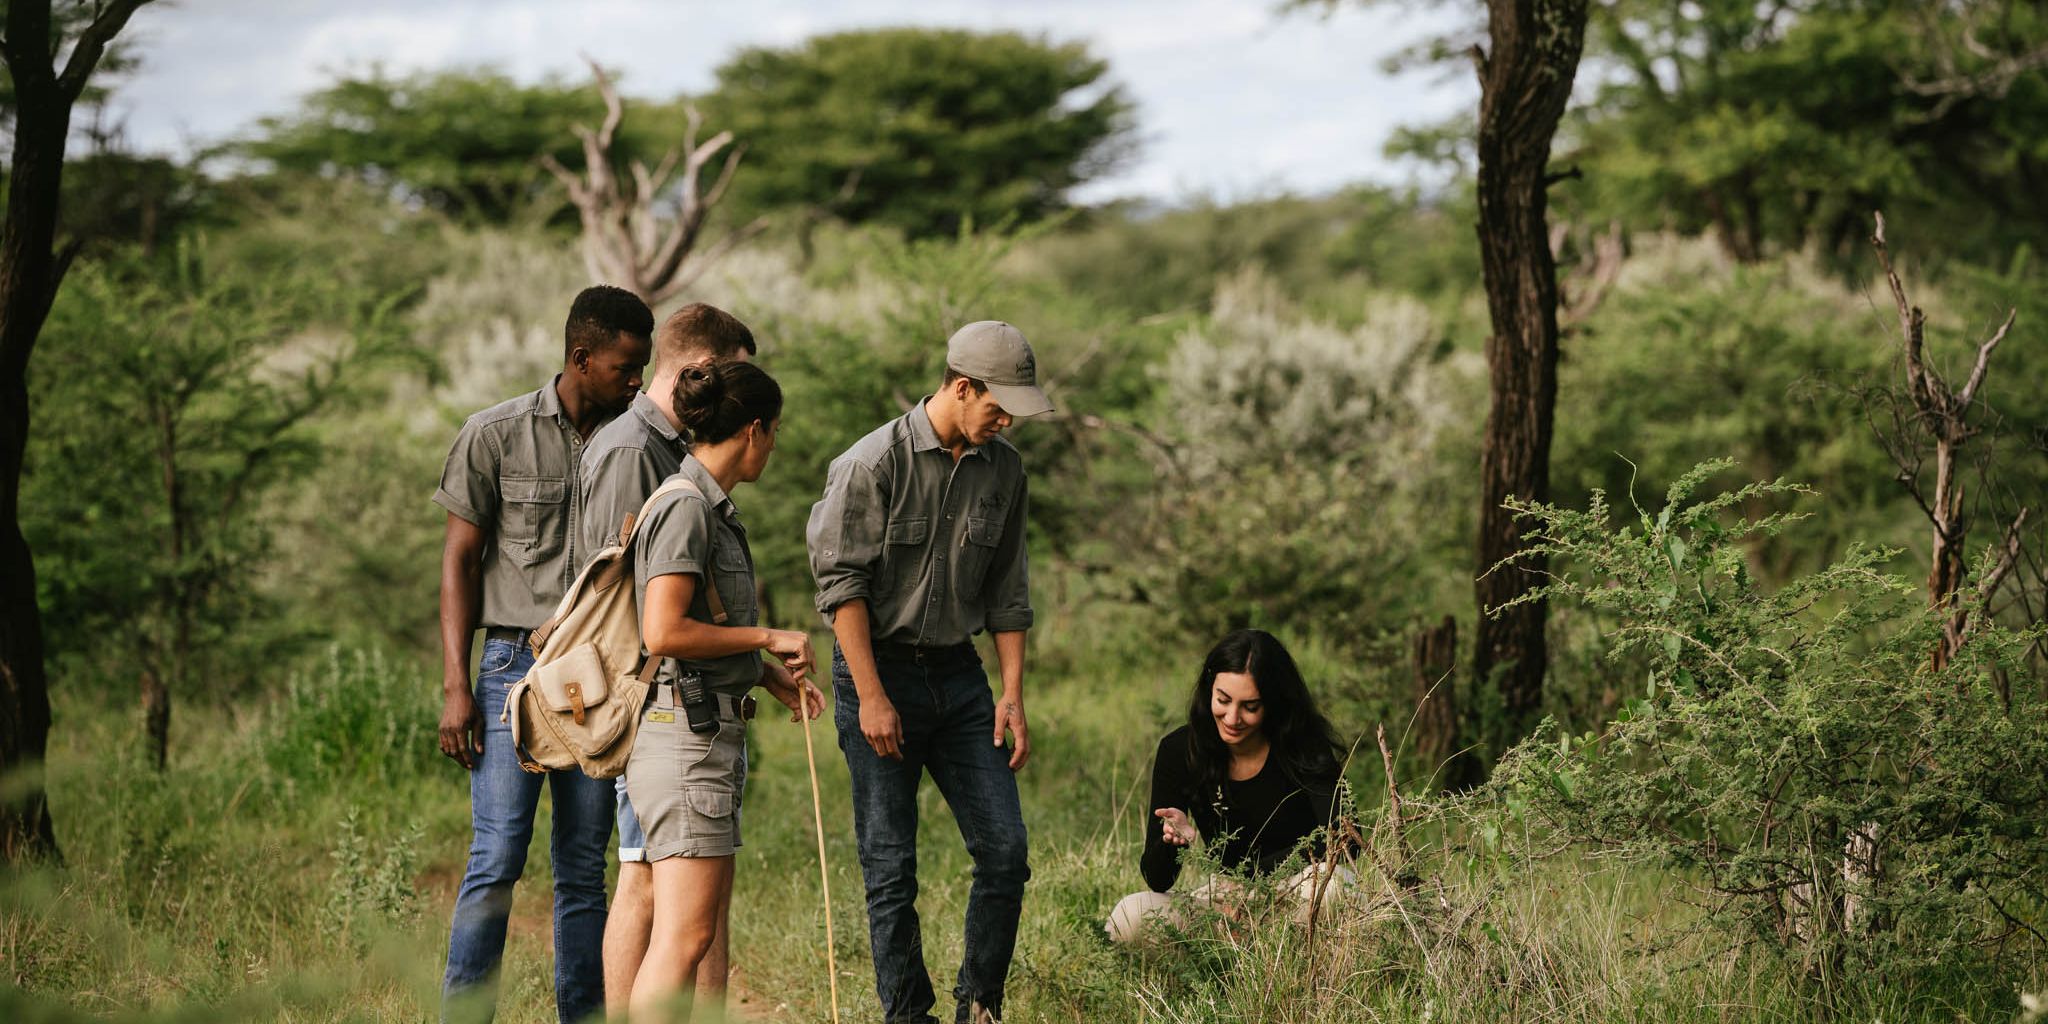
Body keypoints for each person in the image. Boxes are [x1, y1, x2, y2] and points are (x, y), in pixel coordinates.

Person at [806, 320, 1051, 1024]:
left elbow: (1008, 591)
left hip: (960, 678)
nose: (1006, 423)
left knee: (1005, 852)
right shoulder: (870, 464)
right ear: (961, 387)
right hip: (877, 672)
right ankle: (908, 1016)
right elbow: (842, 589)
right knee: (890, 867)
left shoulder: (1005, 470)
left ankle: (981, 1008)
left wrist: (1012, 694)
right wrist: (872, 698)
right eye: (998, 407)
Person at [433, 285, 652, 1023]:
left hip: (601, 680)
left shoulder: (640, 445)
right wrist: (455, 686)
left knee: (583, 869)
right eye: (625, 367)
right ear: (581, 358)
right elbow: (459, 562)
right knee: (496, 857)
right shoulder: (493, 434)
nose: (637, 381)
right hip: (509, 672)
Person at [577, 302, 761, 1017]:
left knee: (688, 908)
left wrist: (758, 669)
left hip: (689, 699)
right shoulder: (637, 453)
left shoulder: (680, 459)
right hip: (657, 703)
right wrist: (756, 643)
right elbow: (626, 602)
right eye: (731, 380)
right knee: (648, 885)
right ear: (702, 372)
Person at [624, 359, 820, 1022]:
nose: (774, 446)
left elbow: (700, 624)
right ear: (754, 430)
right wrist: (766, 637)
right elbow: (663, 631)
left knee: (692, 934)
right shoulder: (686, 505)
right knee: (682, 940)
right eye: (775, 432)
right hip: (682, 739)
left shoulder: (706, 504)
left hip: (703, 734)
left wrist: (763, 674)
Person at [1105, 629, 1353, 946]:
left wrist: (1252, 881)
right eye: (1223, 700)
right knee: (1129, 917)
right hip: (1222, 901)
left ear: (1273, 702)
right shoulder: (1179, 750)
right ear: (1209, 689)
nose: (1232, 718)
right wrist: (1173, 843)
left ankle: (1285, 960)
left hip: (1297, 889)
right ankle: (1221, 962)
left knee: (1336, 887)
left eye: (1250, 706)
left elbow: (1344, 838)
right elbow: (1157, 879)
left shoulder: (1303, 744)